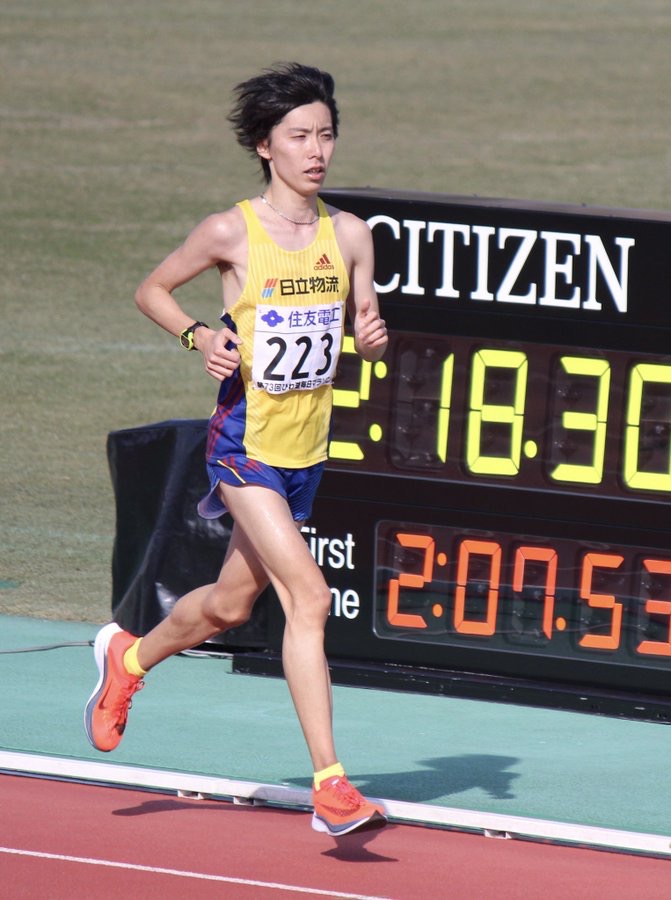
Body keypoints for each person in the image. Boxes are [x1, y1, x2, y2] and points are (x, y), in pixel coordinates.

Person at [84, 62, 388, 837]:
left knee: (229, 604)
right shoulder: (232, 231)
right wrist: (199, 336)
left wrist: (372, 338)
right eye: (299, 136)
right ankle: (331, 786)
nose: (316, 150)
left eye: (325, 135)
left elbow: (364, 330)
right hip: (242, 445)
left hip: (305, 452)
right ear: (265, 145)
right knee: (309, 599)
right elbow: (152, 289)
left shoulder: (349, 235)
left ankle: (127, 661)